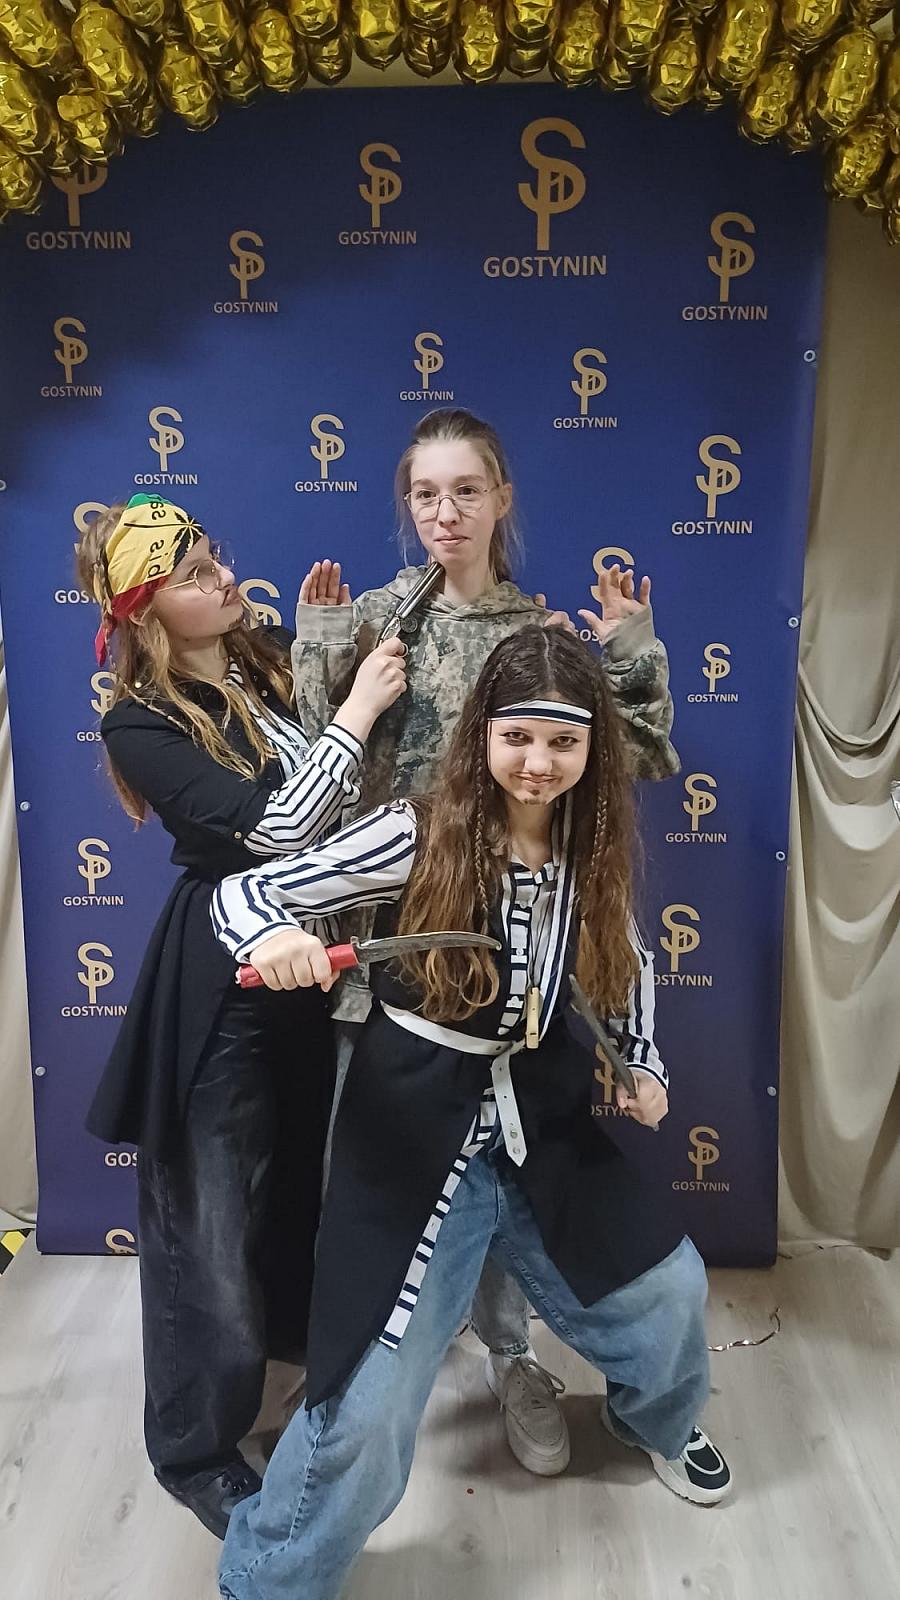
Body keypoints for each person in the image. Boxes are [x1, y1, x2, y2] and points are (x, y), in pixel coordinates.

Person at [210, 625, 732, 1600]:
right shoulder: (414, 831)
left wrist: (640, 1062)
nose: (538, 764)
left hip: (544, 1121)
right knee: (364, 1404)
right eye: (518, 737)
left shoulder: (590, 848)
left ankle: (650, 1419)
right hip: (411, 1131)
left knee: (670, 1293)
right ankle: (268, 1576)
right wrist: (274, 937)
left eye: (563, 743)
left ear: (592, 748)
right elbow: (249, 890)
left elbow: (623, 964)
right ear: (483, 733)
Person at [293, 406, 680, 1476]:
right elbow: (313, 769)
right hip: (389, 954)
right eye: (425, 494)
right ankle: (356, 1396)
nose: (446, 513)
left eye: (467, 490)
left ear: (502, 499)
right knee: (375, 1183)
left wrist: (630, 653)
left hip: (507, 958)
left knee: (510, 1172)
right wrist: (326, 653)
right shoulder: (377, 619)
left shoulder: (536, 633)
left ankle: (514, 1358)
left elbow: (638, 755)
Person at [77, 493, 406, 1538]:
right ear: (145, 612)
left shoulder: (264, 664)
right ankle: (194, 1449)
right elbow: (279, 827)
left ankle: (283, 1370)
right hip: (219, 979)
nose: (222, 576)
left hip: (310, 974)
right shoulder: (136, 722)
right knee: (206, 1228)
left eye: (214, 555)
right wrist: (356, 711)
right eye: (190, 574)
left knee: (292, 1191)